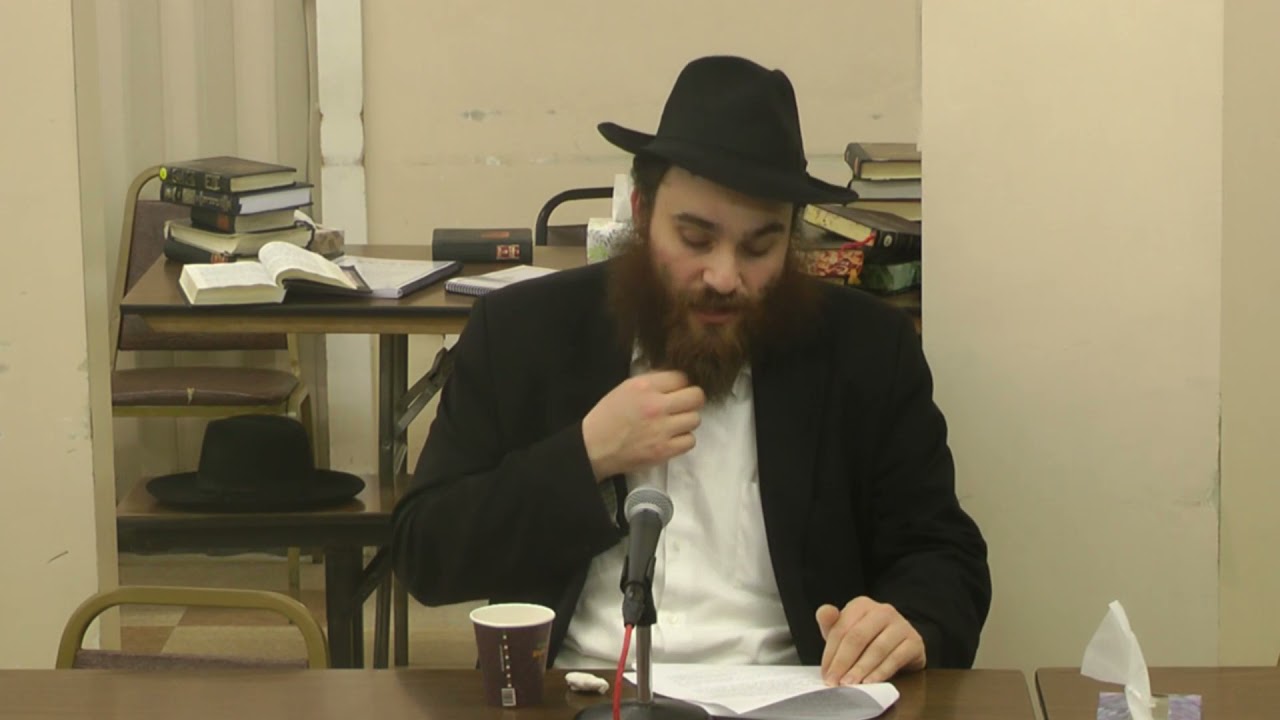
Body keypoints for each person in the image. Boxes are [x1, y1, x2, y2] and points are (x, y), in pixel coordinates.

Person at [392, 55, 990, 687]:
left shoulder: (866, 348)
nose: (725, 277)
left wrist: (910, 622)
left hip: (792, 694)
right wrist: (586, 454)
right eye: (696, 239)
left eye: (759, 247)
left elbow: (944, 555)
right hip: (579, 692)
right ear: (642, 212)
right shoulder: (524, 332)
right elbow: (426, 552)